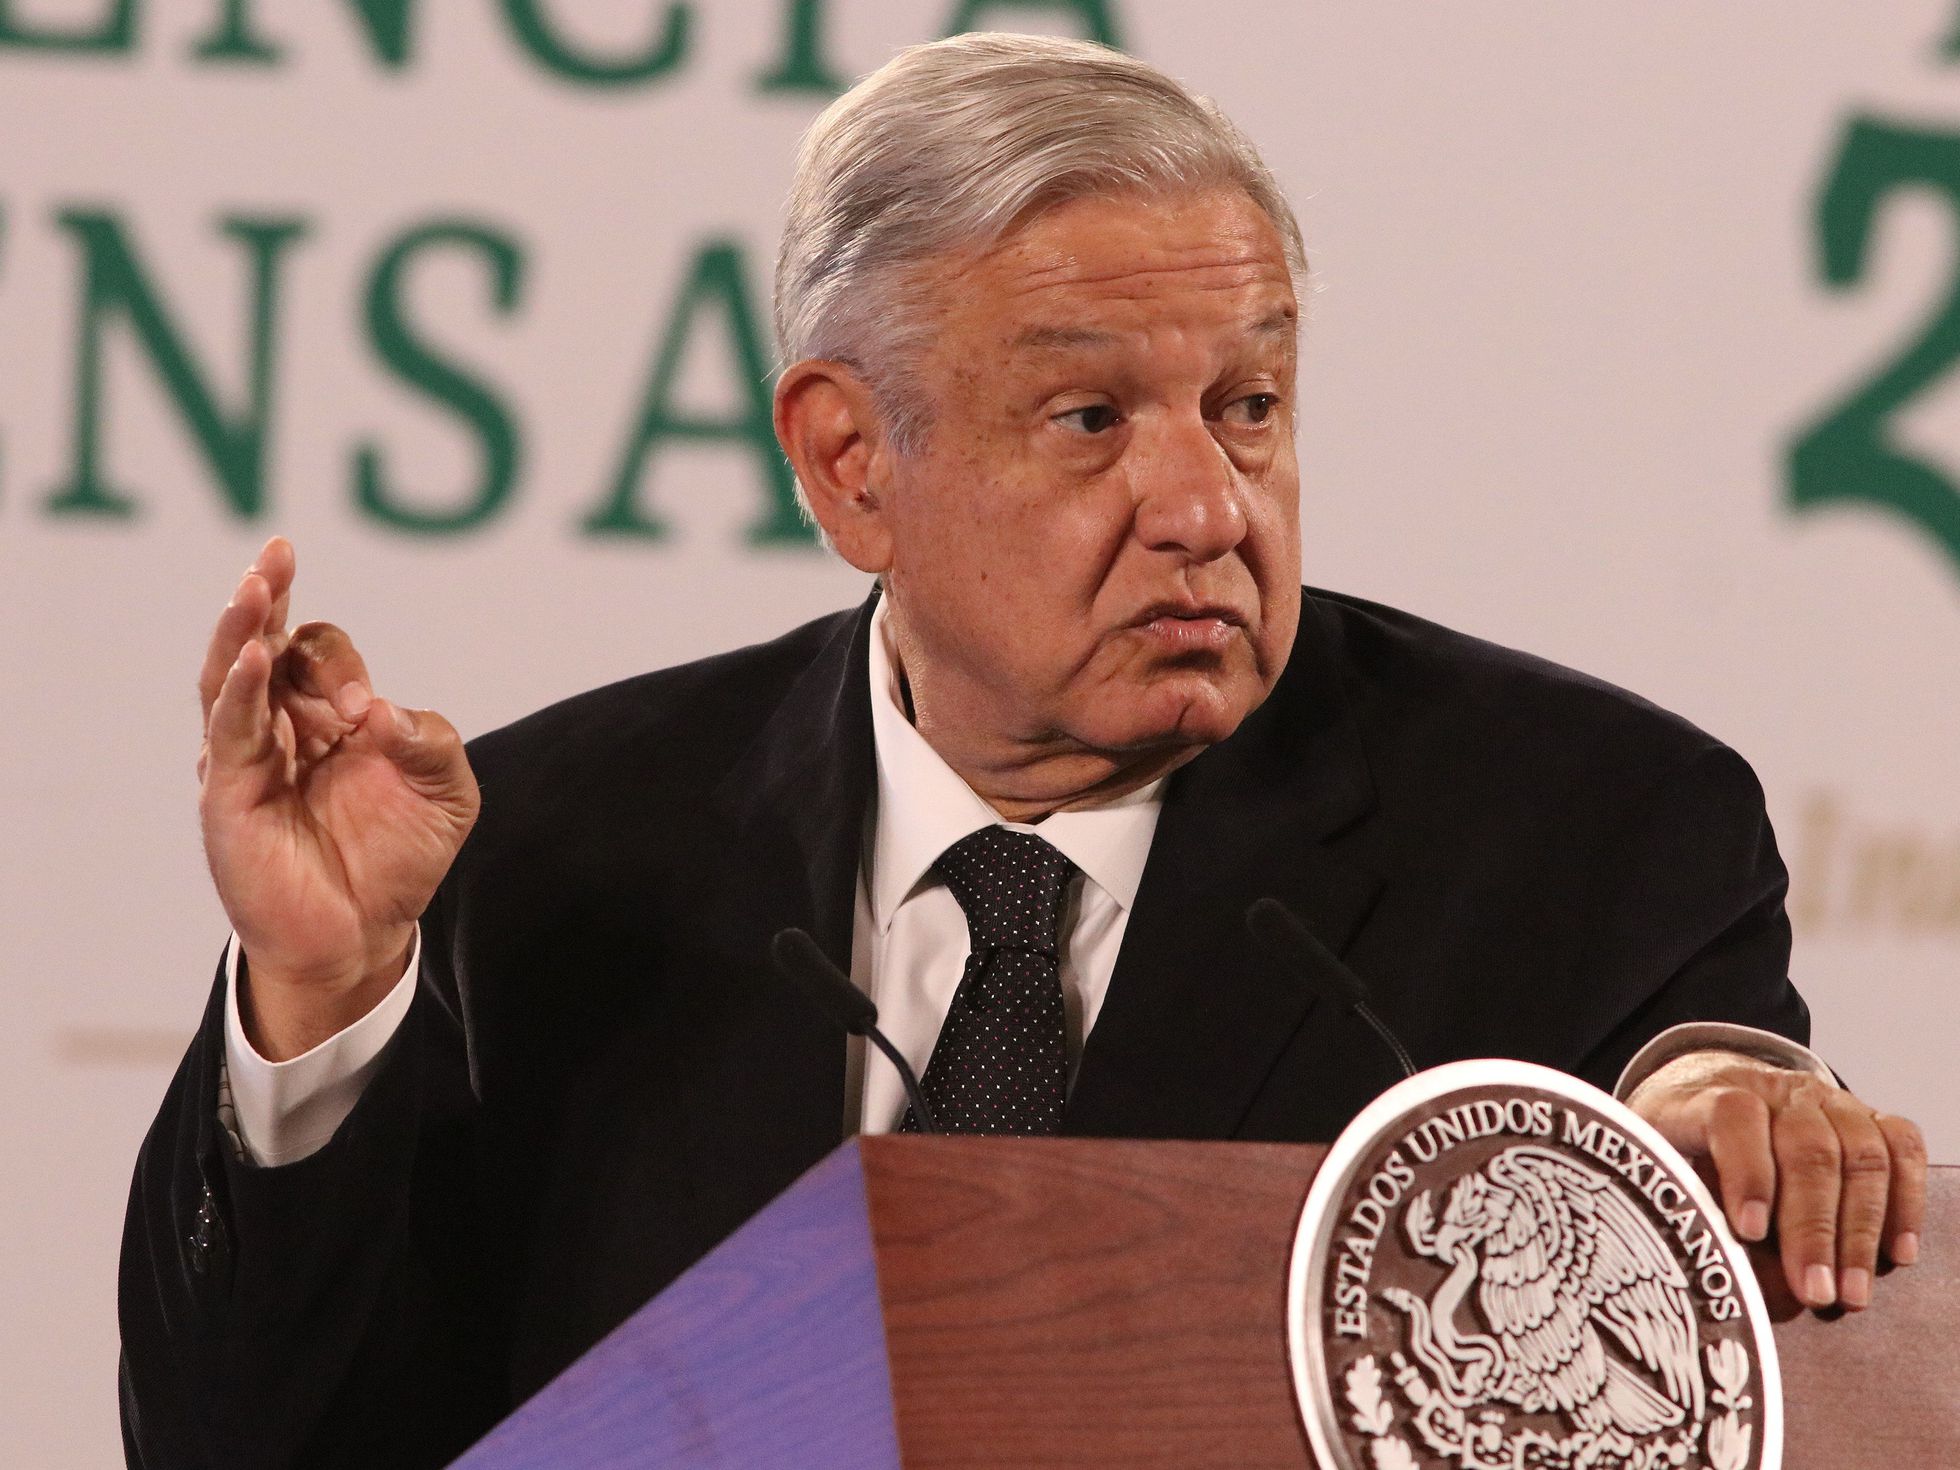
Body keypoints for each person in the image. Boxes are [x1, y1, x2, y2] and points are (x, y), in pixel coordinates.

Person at [120, 32, 1926, 1469]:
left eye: (1250, 404)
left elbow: (1711, 1170)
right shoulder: (556, 856)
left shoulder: (1587, 833)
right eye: (1090, 417)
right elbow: (246, 1448)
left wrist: (1723, 1120)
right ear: (849, 462)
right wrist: (321, 1001)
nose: (1208, 504)